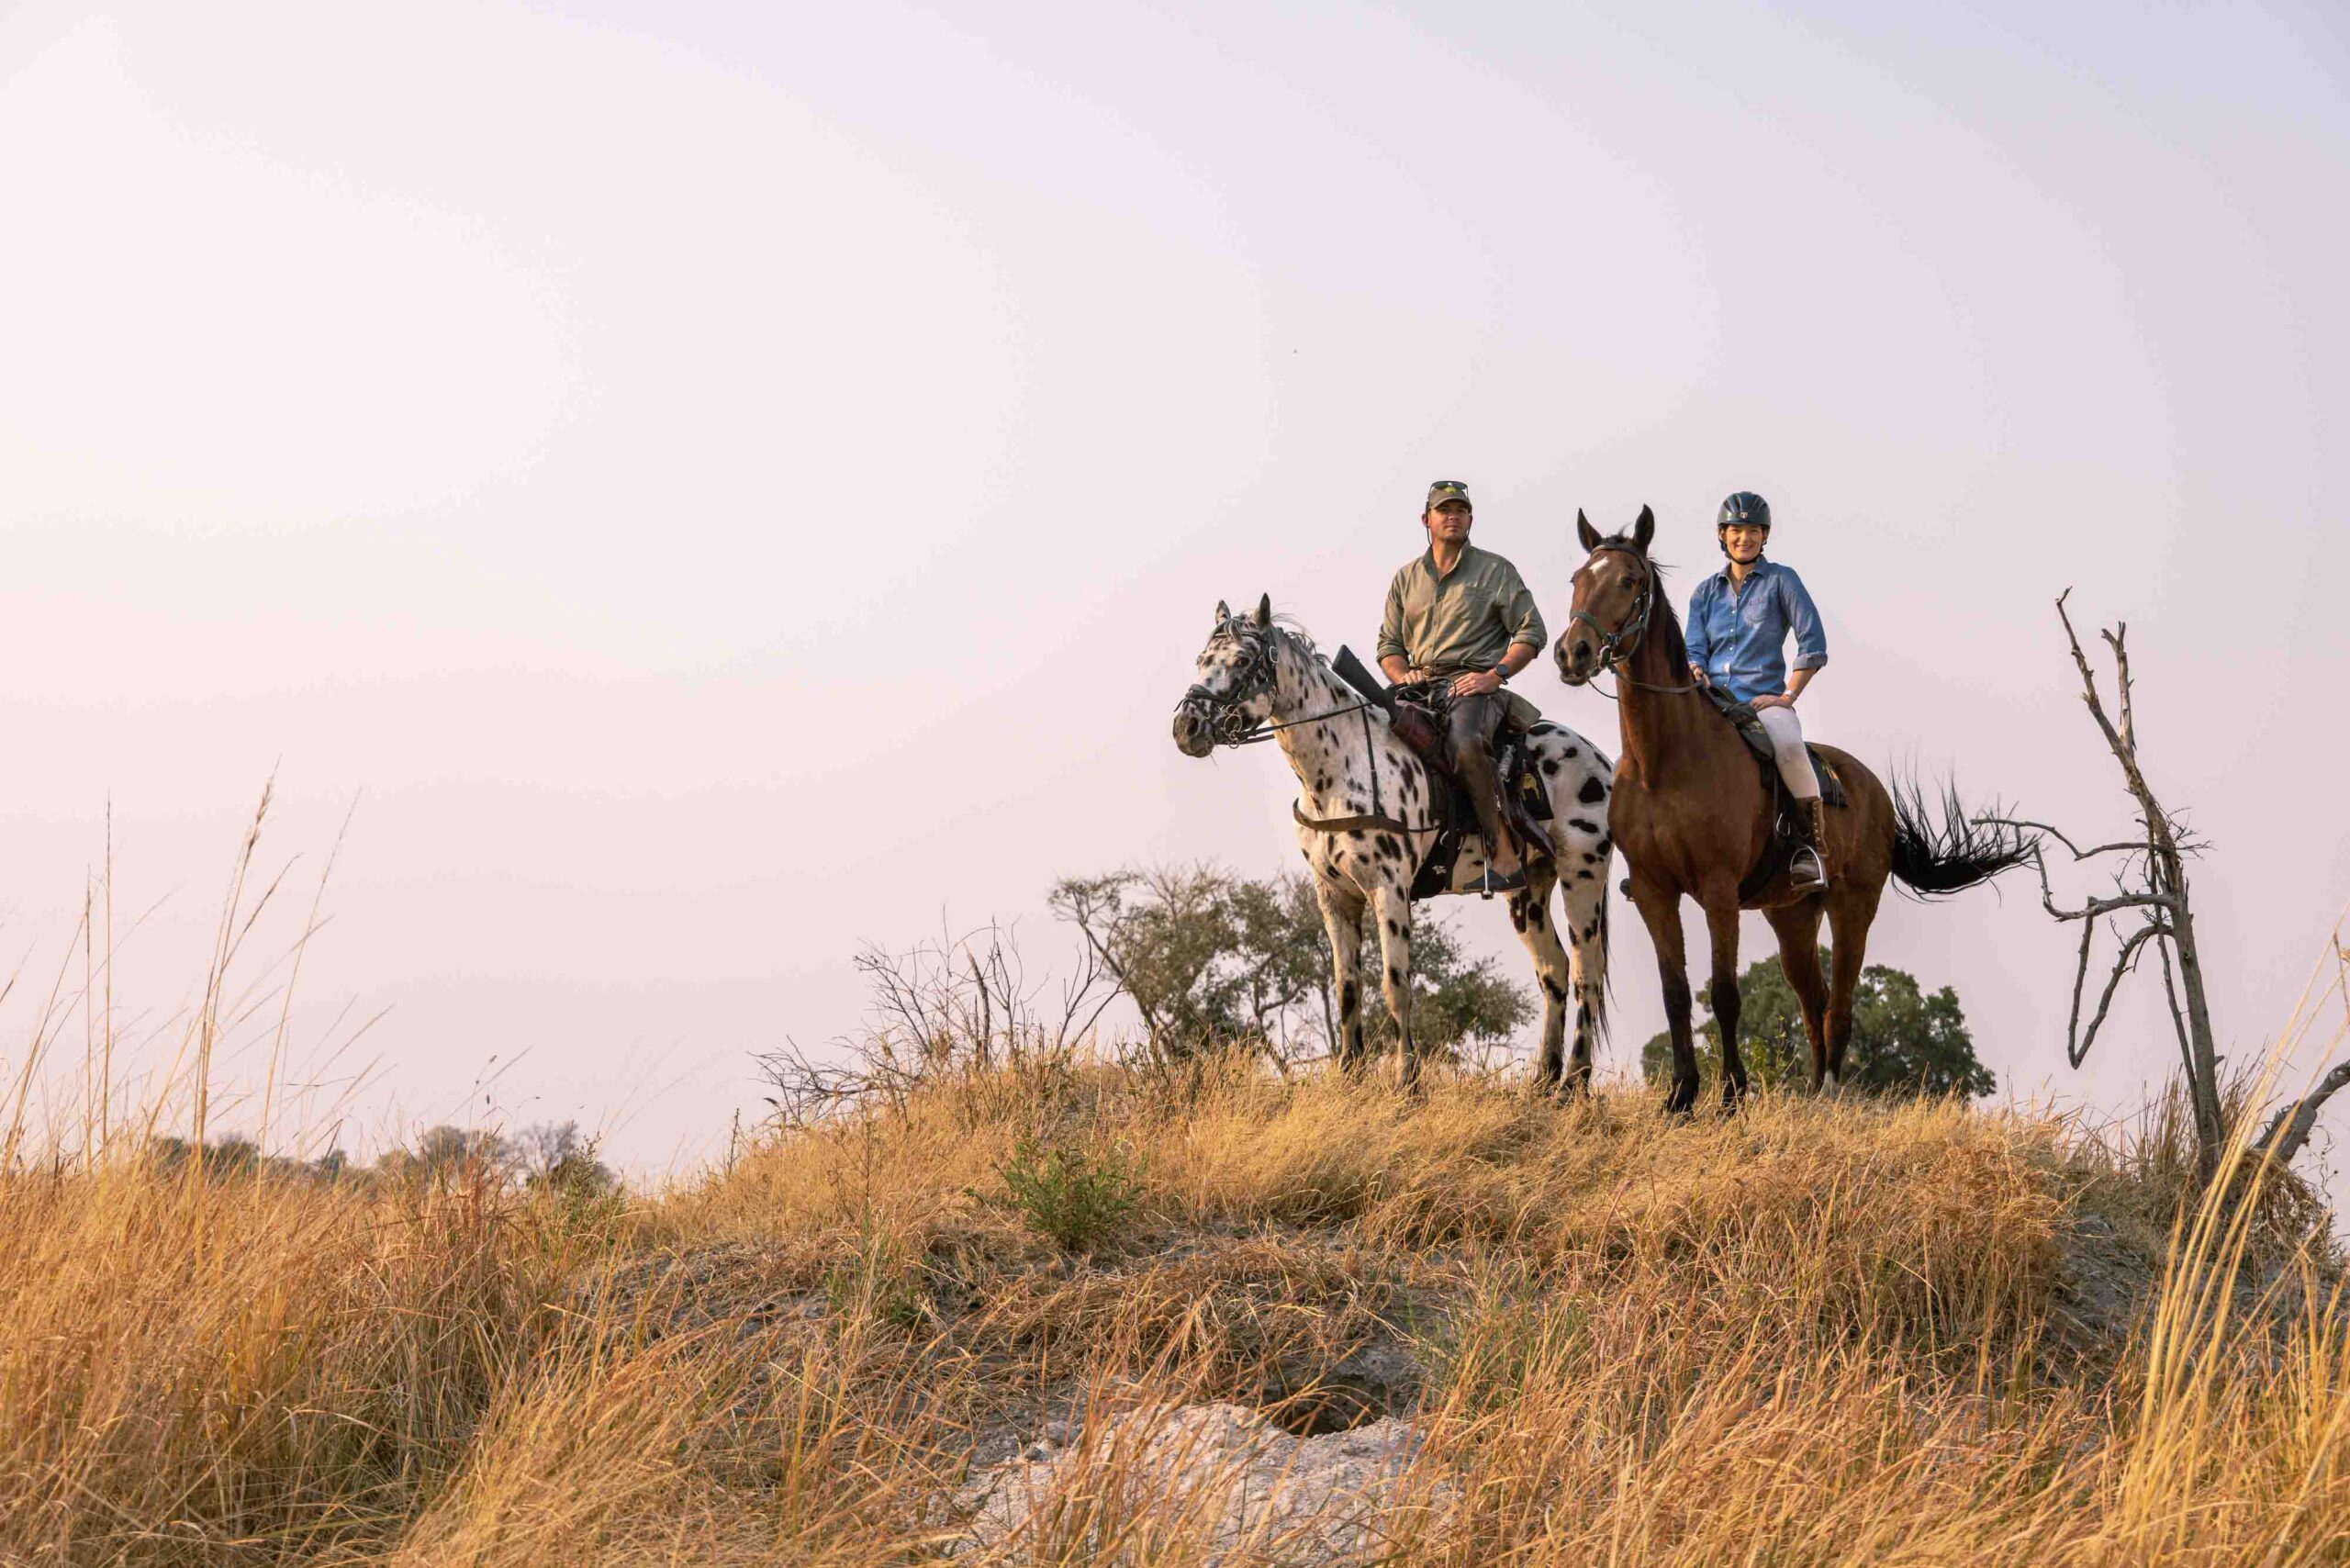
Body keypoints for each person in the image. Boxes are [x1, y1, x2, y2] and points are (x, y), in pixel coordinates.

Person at [1376, 480, 1548, 894]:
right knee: (1369, 732)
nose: (1452, 516)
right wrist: (1402, 675)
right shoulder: (1405, 579)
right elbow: (1389, 647)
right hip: (1418, 686)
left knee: (1466, 743)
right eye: (1443, 509)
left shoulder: (1495, 571)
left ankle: (1503, 852)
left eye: (1460, 510)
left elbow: (1532, 632)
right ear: (1426, 520)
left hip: (1472, 686)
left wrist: (1495, 675)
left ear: (1471, 519)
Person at [1684, 490, 1832, 892]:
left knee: (1788, 744)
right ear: (1722, 534)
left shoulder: (1783, 580)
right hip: (1711, 702)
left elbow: (1813, 643)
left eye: (1753, 530)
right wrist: (1695, 668)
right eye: (1736, 530)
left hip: (1762, 701)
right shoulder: (1704, 592)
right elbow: (1694, 649)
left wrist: (1787, 697)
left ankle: (1809, 847)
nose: (1744, 538)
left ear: (1764, 536)